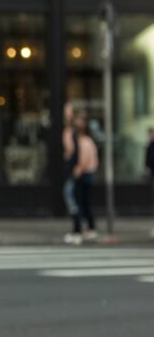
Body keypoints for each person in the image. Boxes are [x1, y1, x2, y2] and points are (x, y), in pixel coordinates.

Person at [72, 113, 99, 241]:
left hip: (85, 174)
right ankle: (89, 227)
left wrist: (78, 170)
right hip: (88, 174)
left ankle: (86, 228)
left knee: (82, 202)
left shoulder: (85, 142)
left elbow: (85, 159)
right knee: (84, 202)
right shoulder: (88, 141)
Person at [62, 102, 82, 245]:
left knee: (73, 198)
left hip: (75, 169)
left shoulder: (75, 131)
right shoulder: (70, 130)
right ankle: (77, 229)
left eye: (68, 111)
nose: (65, 114)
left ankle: (78, 230)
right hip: (71, 168)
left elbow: (77, 152)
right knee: (72, 198)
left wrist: (77, 167)